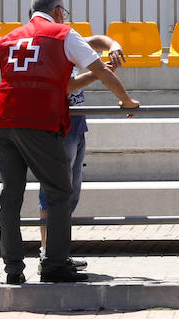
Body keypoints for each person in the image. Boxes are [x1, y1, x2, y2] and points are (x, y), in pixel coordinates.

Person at [0, 0, 139, 284]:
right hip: (38, 124)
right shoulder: (63, 33)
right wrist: (126, 99)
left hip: (6, 124)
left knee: (10, 197)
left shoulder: (9, 38)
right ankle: (55, 264)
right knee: (59, 192)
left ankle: (13, 269)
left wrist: (1, 100)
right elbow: (101, 70)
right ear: (58, 11)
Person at [36, 29, 128, 274]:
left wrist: (113, 44)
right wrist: (100, 73)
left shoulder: (68, 41)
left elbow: (97, 40)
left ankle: (58, 251)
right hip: (57, 124)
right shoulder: (47, 47)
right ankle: (48, 252)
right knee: (54, 190)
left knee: (71, 191)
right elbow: (67, 86)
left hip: (76, 125)